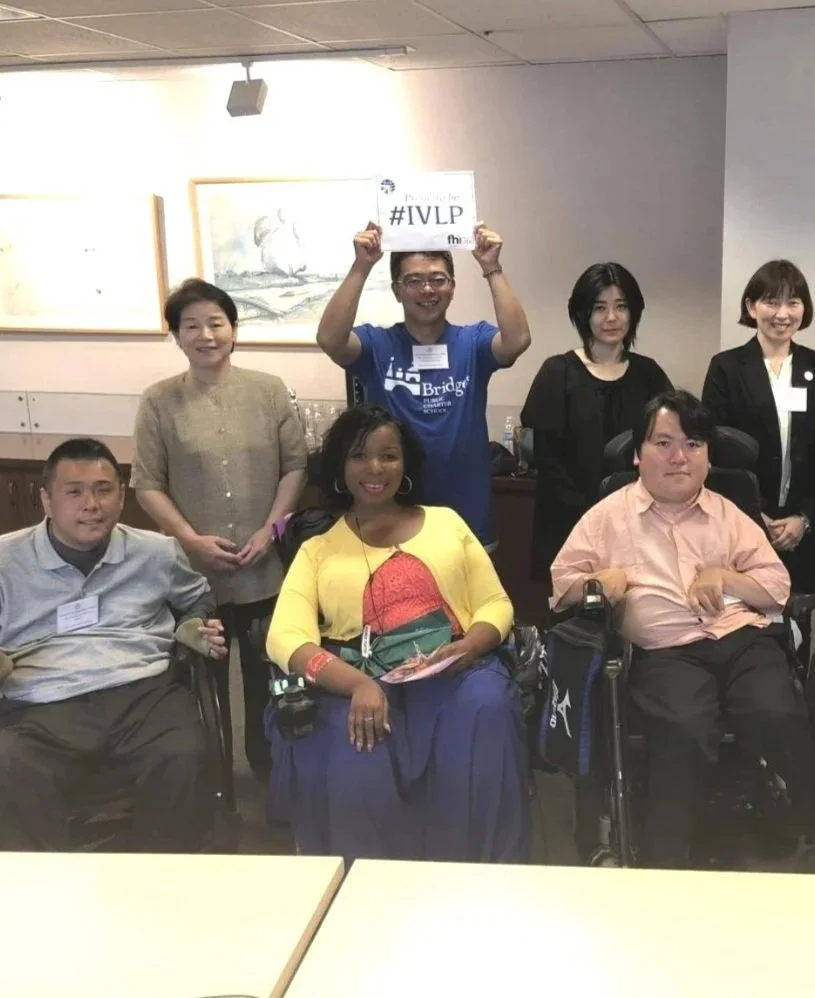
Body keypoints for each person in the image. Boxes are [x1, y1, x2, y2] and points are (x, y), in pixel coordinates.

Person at [550, 390, 815, 872]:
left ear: (708, 456)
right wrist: (600, 582)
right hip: (665, 652)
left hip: (744, 640)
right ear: (638, 453)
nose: (678, 457)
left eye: (692, 444)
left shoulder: (728, 512)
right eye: (663, 443)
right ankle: (666, 861)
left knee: (775, 712)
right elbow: (560, 587)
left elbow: (777, 588)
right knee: (683, 727)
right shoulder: (607, 517)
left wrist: (725, 577)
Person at [264, 405, 530, 861]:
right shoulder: (318, 549)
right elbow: (285, 637)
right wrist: (358, 685)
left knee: (487, 707)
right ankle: (368, 889)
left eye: (388, 455)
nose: (374, 469)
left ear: (405, 464)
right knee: (354, 749)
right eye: (359, 456)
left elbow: (495, 603)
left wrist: (470, 644)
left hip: (455, 670)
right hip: (358, 680)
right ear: (340, 467)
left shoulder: (447, 523)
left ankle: (484, 876)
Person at [0, 438, 226, 851]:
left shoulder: (155, 552)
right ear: (47, 500)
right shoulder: (5, 561)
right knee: (11, 765)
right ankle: (44, 889)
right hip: (43, 698)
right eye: (75, 492)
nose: (91, 504)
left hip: (142, 688)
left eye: (103, 489)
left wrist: (195, 622)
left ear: (122, 497)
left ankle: (162, 877)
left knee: (182, 753)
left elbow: (197, 594)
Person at [132, 279, 307, 786]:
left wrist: (271, 531)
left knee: (268, 674)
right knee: (200, 681)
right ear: (177, 336)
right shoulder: (159, 401)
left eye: (216, 323)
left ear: (233, 329)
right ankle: (211, 783)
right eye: (192, 326)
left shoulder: (269, 390)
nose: (206, 335)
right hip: (194, 573)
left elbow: (294, 467)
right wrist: (189, 539)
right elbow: (147, 484)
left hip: (263, 566)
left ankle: (272, 772)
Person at [315, 220, 532, 549]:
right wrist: (362, 266)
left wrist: (492, 268)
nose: (427, 290)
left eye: (437, 280)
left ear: (452, 287)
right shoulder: (377, 344)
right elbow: (329, 339)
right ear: (397, 289)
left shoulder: (473, 342)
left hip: (467, 518)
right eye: (414, 281)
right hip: (391, 519)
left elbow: (517, 340)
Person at [520, 262, 672, 580]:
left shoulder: (650, 374)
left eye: (621, 307)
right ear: (582, 314)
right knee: (575, 624)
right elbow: (549, 462)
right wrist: (594, 515)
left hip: (640, 525)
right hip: (569, 526)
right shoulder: (557, 372)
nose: (612, 318)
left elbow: (665, 449)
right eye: (599, 308)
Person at [702, 260, 815, 593]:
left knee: (799, 612)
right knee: (746, 613)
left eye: (793, 302)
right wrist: (753, 514)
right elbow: (714, 450)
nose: (782, 313)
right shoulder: (726, 367)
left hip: (803, 525)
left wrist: (806, 517)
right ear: (751, 307)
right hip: (742, 520)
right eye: (771, 301)